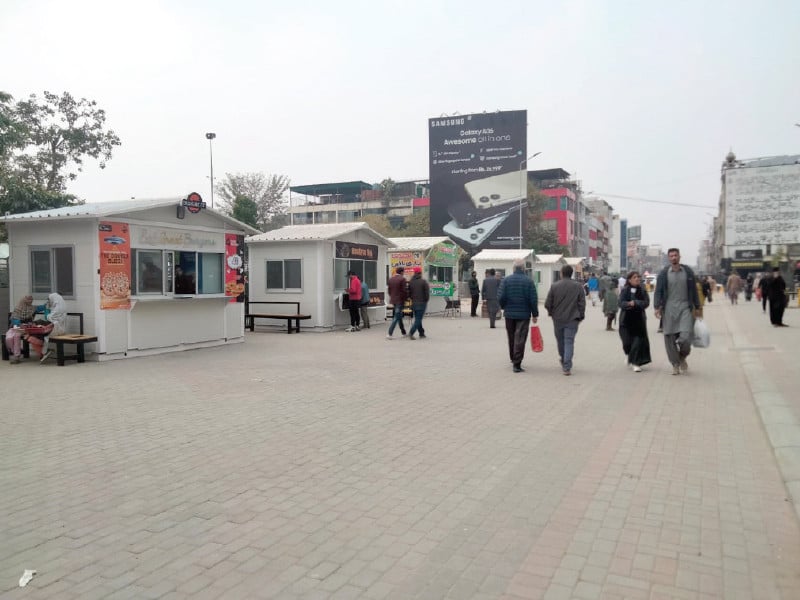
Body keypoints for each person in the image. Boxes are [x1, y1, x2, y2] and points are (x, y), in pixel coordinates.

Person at [653, 248, 701, 376]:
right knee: (669, 337)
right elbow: (658, 291)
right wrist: (657, 307)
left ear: (680, 256)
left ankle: (682, 356)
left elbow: (694, 291)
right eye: (671, 256)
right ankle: (675, 364)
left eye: (675, 255)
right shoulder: (663, 273)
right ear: (669, 258)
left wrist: (697, 306)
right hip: (669, 308)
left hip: (685, 307)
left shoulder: (688, 272)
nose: (673, 258)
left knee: (686, 337)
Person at [498, 259, 539, 373]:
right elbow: (533, 299)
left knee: (511, 337)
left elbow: (500, 297)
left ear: (514, 268)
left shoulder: (506, 280)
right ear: (524, 268)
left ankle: (513, 358)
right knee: (520, 338)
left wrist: (503, 307)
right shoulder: (529, 281)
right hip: (524, 314)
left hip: (509, 314)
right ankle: (517, 363)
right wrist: (535, 314)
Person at [544, 264, 586, 376]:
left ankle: (564, 360)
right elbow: (582, 303)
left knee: (560, 341)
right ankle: (567, 367)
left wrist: (550, 312)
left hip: (558, 319)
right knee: (569, 341)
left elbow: (548, 303)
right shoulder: (578, 286)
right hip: (573, 318)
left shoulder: (554, 286)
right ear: (571, 273)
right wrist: (581, 315)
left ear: (561, 273)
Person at [618, 271, 651, 373]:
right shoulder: (625, 290)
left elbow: (646, 303)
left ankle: (636, 363)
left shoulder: (642, 290)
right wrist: (629, 304)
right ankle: (628, 355)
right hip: (626, 320)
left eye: (638, 277)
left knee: (637, 343)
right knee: (627, 342)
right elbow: (620, 303)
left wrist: (635, 303)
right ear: (629, 280)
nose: (637, 279)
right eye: (634, 277)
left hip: (639, 321)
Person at [25, 292, 68, 362]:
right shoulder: (54, 305)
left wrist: (47, 313)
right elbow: (41, 309)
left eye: (49, 299)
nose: (48, 301)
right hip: (50, 327)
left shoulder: (59, 308)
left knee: (33, 334)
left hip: (56, 329)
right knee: (32, 335)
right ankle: (44, 352)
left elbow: (51, 319)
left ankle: (43, 352)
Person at [5, 295, 35, 364]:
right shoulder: (18, 308)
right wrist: (19, 324)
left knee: (16, 336)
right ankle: (15, 351)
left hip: (24, 328)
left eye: (31, 299)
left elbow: (41, 307)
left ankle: (16, 356)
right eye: (29, 299)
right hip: (14, 327)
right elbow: (13, 319)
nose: (30, 301)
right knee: (8, 338)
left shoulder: (32, 308)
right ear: (24, 300)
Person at [386, 267, 408, 339]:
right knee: (396, 317)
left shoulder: (391, 279)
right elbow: (404, 291)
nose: (404, 273)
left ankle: (403, 332)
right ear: (401, 272)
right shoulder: (402, 279)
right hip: (400, 301)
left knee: (399, 316)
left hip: (393, 300)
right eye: (403, 272)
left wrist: (392, 297)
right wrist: (405, 299)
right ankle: (389, 333)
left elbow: (389, 291)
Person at [407, 266, 430, 339]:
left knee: (418, 318)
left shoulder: (411, 282)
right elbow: (427, 294)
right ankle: (411, 332)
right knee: (418, 319)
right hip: (422, 303)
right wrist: (426, 300)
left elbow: (409, 293)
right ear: (420, 273)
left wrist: (412, 299)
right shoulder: (423, 282)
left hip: (414, 303)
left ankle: (421, 333)